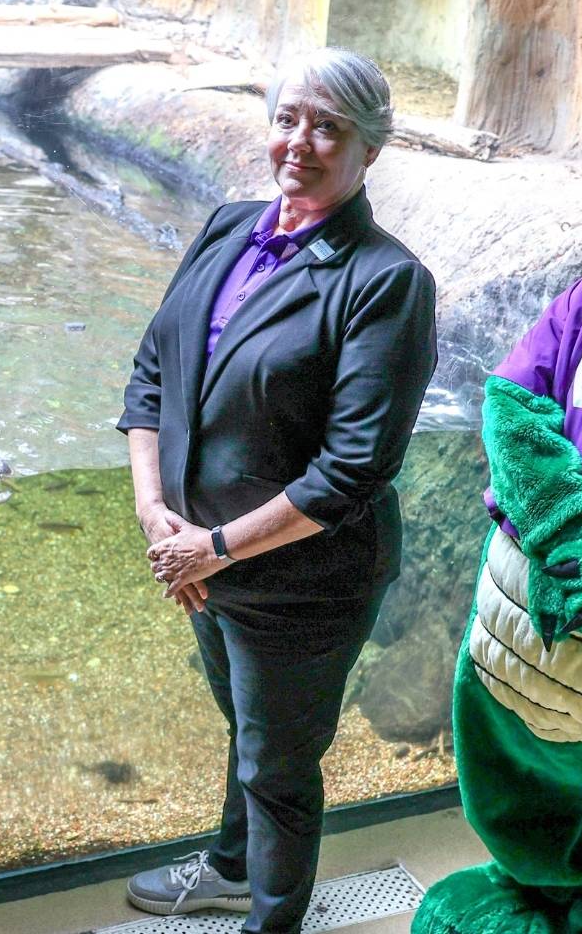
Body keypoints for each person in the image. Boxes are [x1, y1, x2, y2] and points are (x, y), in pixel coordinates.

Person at [117, 47, 437, 934]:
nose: (302, 140)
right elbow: (152, 374)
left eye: (329, 126)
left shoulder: (386, 281)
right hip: (201, 558)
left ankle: (273, 922)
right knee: (248, 734)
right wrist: (159, 520)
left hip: (303, 579)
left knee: (278, 765)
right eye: (289, 117)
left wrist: (211, 547)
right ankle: (228, 869)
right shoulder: (227, 227)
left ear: (369, 150)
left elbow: (353, 470)